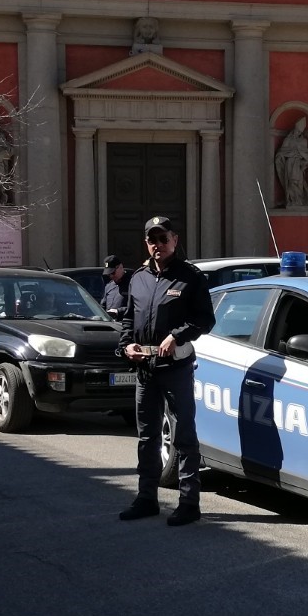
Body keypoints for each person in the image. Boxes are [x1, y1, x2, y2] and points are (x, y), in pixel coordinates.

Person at [115, 215, 214, 526]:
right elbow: (129, 320)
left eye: (163, 238)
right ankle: (146, 498)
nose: (158, 244)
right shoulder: (138, 278)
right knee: (147, 437)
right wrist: (126, 346)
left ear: (175, 239)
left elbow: (205, 320)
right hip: (145, 370)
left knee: (184, 435)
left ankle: (189, 502)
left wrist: (177, 335)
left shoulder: (190, 277)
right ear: (146, 243)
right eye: (152, 239)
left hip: (176, 368)